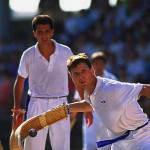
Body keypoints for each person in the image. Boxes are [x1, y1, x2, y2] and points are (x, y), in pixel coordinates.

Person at [12, 14, 73, 150]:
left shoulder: (66, 52)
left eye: (47, 31)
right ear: (34, 33)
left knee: (62, 147)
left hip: (60, 103)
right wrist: (16, 108)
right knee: (33, 146)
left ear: (52, 31)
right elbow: (20, 81)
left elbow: (76, 77)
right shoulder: (27, 55)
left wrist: (81, 100)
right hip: (36, 104)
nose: (44, 35)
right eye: (40, 32)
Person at [67, 53, 150, 150]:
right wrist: (65, 109)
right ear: (72, 78)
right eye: (76, 74)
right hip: (118, 141)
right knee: (88, 146)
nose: (81, 77)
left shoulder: (111, 86)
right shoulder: (88, 90)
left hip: (140, 137)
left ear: (91, 70)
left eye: (83, 71)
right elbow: (91, 104)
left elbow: (145, 89)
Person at [74, 51, 118, 150]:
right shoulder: (84, 78)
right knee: (89, 146)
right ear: (92, 65)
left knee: (106, 147)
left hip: (107, 117)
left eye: (101, 63)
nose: (98, 66)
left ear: (105, 64)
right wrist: (74, 111)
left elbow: (117, 98)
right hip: (90, 116)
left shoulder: (112, 79)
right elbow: (79, 97)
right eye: (96, 63)